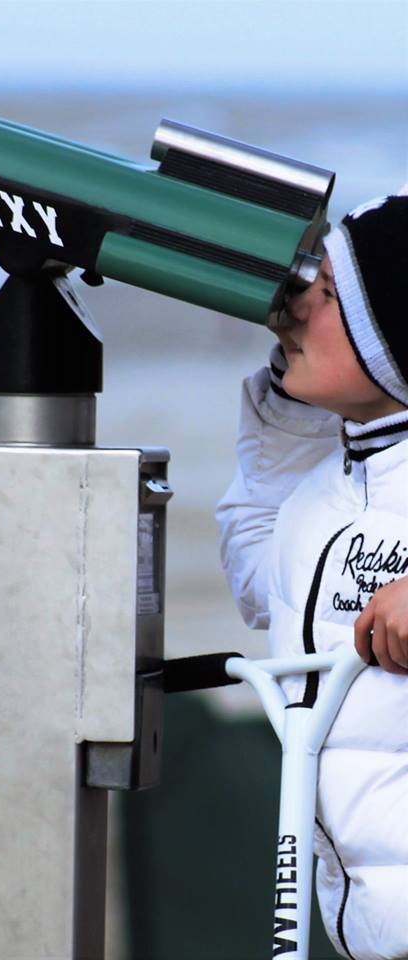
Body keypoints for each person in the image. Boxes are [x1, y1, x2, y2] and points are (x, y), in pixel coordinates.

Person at [216, 191, 408, 960]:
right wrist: (292, 411)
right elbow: (260, 578)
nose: (291, 310)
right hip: (366, 928)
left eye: (325, 294)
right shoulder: (326, 493)